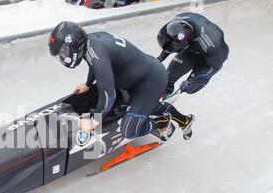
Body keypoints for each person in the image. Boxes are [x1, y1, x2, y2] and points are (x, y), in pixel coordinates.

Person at [48, 21, 194, 142]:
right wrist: (87, 84)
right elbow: (93, 65)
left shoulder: (97, 53)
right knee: (148, 106)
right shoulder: (91, 42)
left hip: (150, 82)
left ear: (73, 43)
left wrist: (93, 122)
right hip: (142, 74)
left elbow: (108, 94)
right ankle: (184, 120)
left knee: (129, 131)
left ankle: (162, 123)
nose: (64, 56)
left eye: (64, 52)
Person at [157, 12, 229, 98]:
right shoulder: (177, 22)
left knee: (190, 89)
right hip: (192, 51)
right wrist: (160, 59)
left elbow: (215, 67)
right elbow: (170, 42)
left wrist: (192, 82)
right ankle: (165, 98)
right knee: (168, 78)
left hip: (210, 62)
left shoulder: (211, 43)